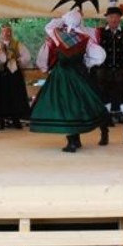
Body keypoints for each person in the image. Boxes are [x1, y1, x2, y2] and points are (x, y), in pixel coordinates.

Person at [30, 9, 107, 153]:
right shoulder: (84, 38)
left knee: (66, 107)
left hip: (62, 76)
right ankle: (76, 139)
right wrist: (87, 63)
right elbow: (100, 56)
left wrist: (62, 19)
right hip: (79, 75)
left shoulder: (57, 34)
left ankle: (73, 142)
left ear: (66, 21)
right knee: (78, 106)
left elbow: (49, 27)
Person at [92, 0, 123, 146]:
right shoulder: (98, 32)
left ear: (120, 18)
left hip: (122, 74)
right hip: (104, 74)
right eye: (111, 17)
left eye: (116, 17)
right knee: (104, 103)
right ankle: (104, 135)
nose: (113, 19)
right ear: (107, 18)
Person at [0, 22, 32, 129]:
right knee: (1, 97)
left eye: (9, 31)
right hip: (0, 73)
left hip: (13, 74)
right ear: (1, 32)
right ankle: (1, 121)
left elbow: (27, 56)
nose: (7, 33)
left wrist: (17, 60)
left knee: (16, 96)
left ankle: (16, 119)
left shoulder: (16, 44)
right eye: (5, 31)